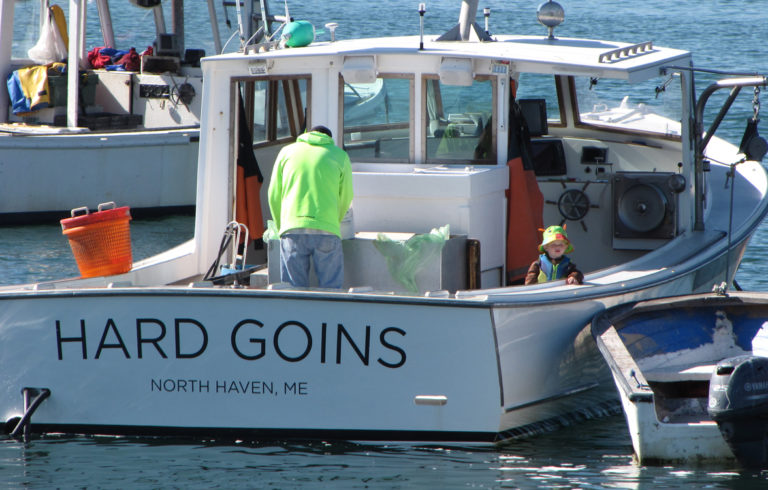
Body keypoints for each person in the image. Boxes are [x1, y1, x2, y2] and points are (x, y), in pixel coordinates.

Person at [268, 125, 353, 288]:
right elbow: (347, 196)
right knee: (331, 289)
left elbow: (273, 194)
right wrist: (334, 222)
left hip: (292, 228)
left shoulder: (286, 152)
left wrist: (281, 226)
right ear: (329, 139)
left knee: (293, 289)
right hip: (327, 229)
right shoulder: (339, 155)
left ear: (307, 134)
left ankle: (295, 313)